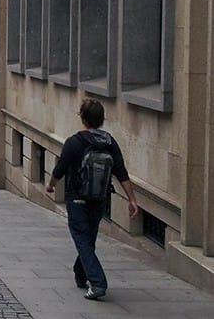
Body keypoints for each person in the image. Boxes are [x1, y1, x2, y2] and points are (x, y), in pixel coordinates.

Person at [45, 98, 138, 300]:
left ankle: (98, 283)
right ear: (101, 119)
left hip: (77, 198)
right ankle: (81, 275)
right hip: (99, 199)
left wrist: (51, 185)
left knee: (82, 239)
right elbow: (121, 173)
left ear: (83, 118)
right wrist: (132, 200)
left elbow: (59, 170)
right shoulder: (109, 142)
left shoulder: (74, 142)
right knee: (88, 239)